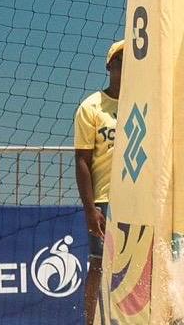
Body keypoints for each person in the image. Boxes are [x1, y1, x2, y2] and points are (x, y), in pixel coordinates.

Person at [74, 40, 123, 325]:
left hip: (138, 197)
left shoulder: (146, 102)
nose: (125, 67)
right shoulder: (91, 107)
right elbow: (82, 161)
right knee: (99, 264)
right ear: (109, 66)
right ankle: (90, 322)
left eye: (131, 62)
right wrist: (90, 209)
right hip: (105, 199)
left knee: (145, 262)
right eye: (119, 62)